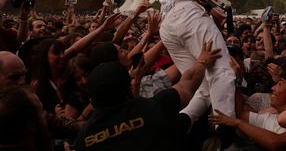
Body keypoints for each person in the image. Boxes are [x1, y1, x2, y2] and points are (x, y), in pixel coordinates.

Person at [75, 41, 222, 151]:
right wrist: (202, 61)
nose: (126, 52)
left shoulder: (84, 137)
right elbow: (187, 85)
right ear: (127, 85)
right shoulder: (150, 108)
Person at [157, 0, 236, 124]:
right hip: (186, 16)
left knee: (201, 85)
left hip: (169, 24)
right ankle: (225, 132)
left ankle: (179, 126)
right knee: (222, 71)